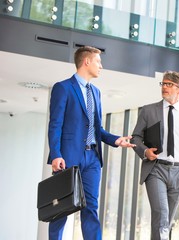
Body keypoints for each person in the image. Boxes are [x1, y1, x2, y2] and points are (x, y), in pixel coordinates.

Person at [47, 45, 135, 240]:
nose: (101, 66)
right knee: (61, 209)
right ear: (86, 61)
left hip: (93, 158)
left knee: (91, 208)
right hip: (68, 156)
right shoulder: (63, 87)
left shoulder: (95, 92)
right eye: (98, 61)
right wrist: (56, 154)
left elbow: (97, 128)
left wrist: (116, 140)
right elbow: (55, 125)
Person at [131, 70, 179, 240]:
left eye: (169, 84)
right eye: (163, 83)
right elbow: (136, 137)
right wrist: (145, 151)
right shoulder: (149, 111)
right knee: (161, 214)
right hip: (156, 169)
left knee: (165, 222)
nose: (164, 87)